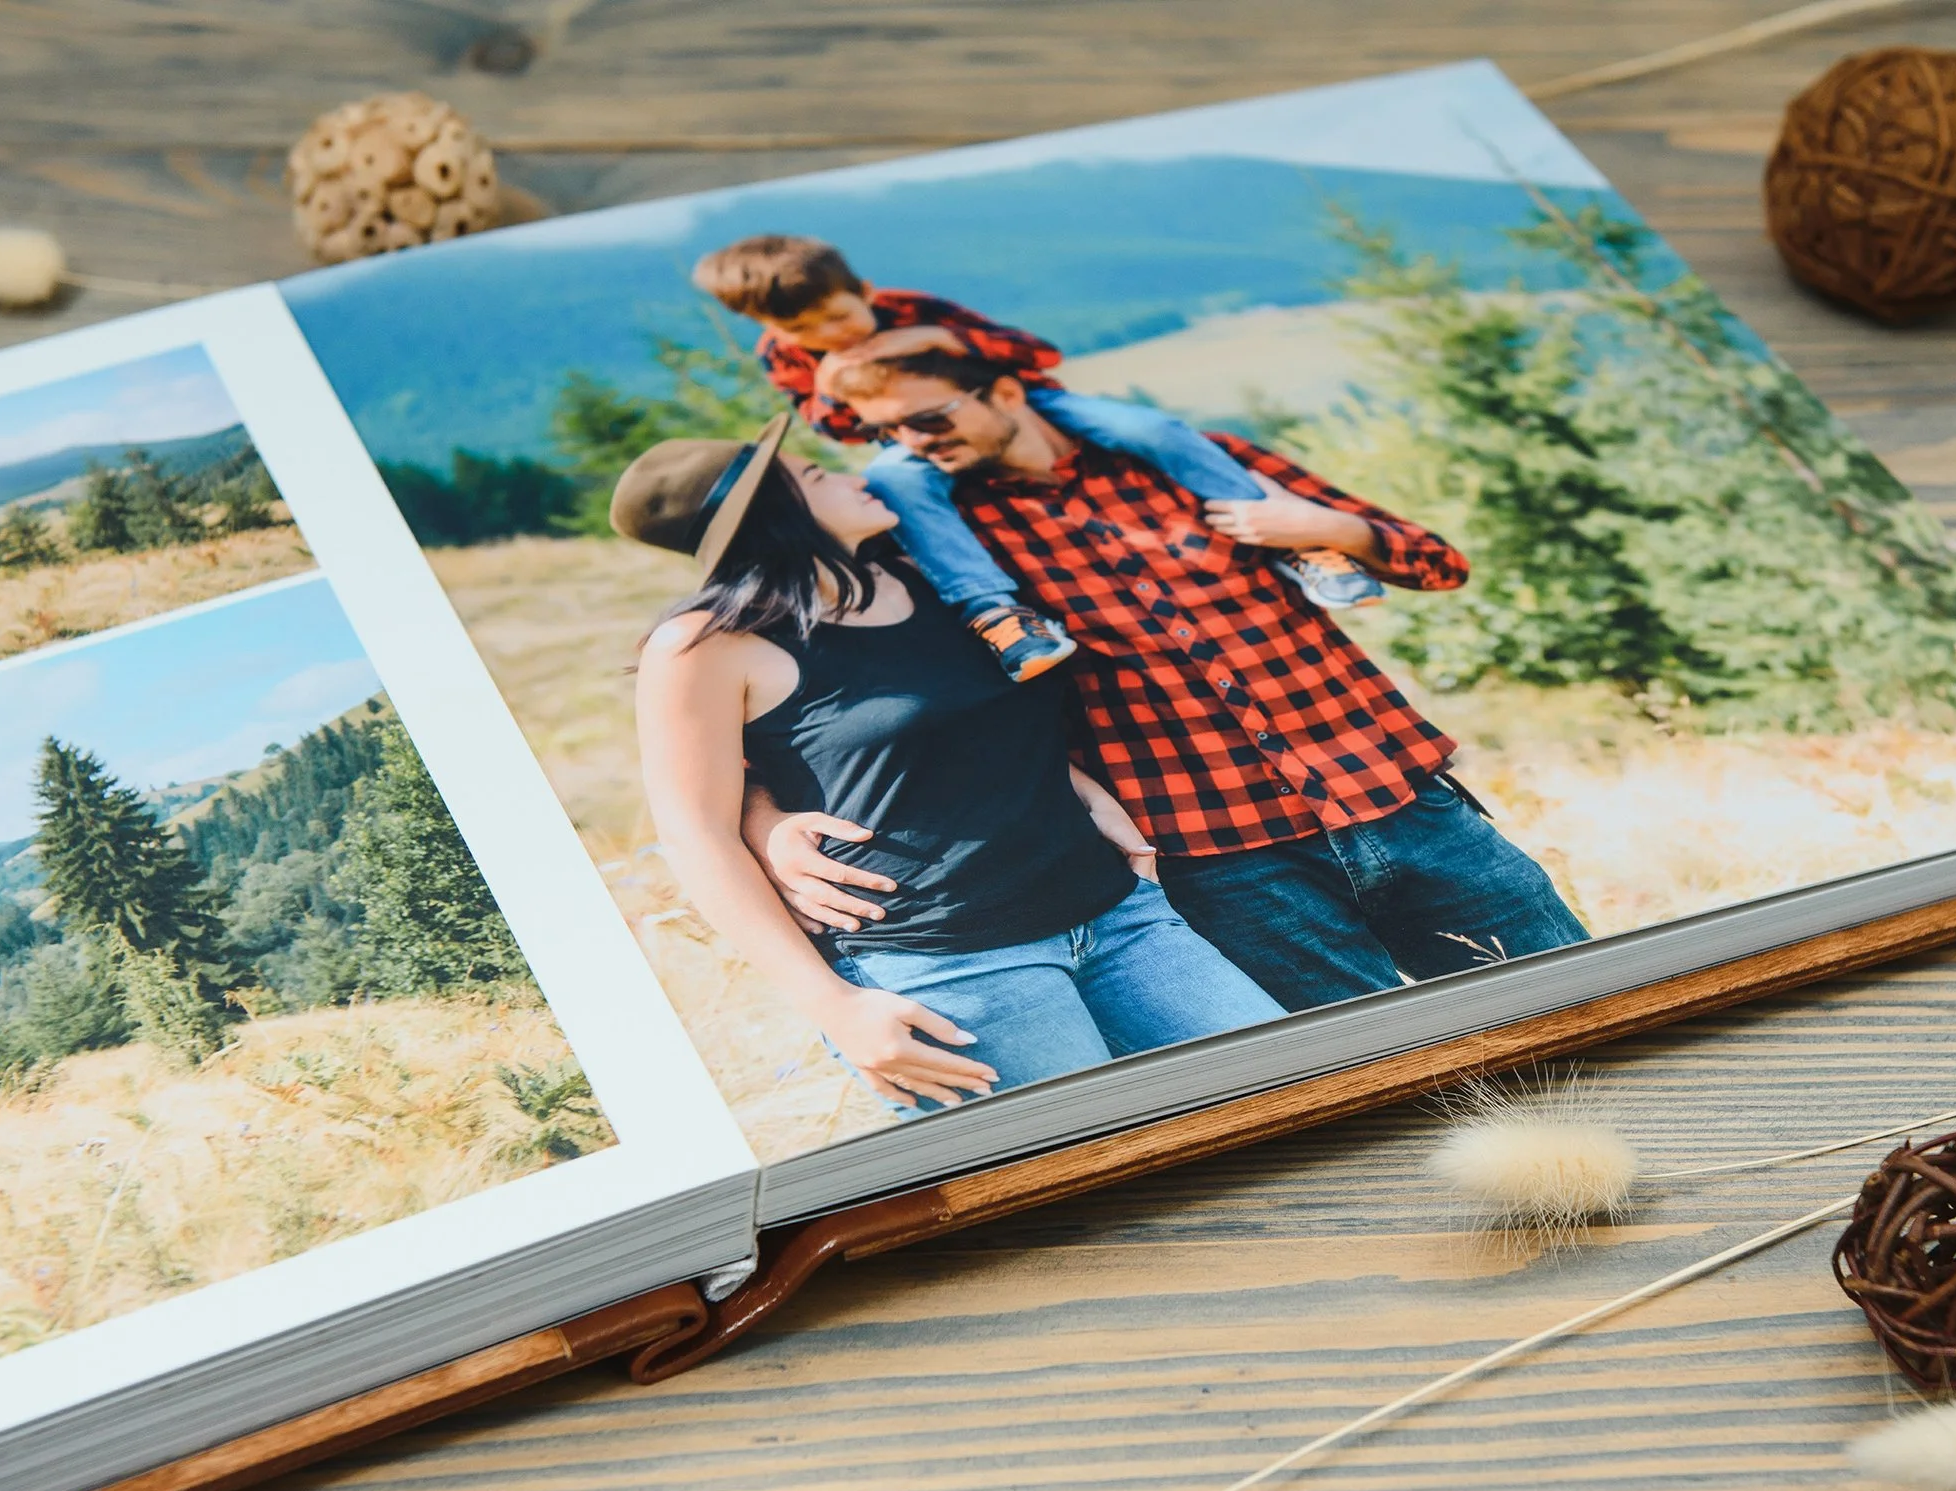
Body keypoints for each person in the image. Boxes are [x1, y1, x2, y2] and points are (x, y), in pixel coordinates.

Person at [758, 332, 1589, 1014]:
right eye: (889, 435)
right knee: (1382, 1072)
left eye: (930, 420)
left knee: (1579, 1003)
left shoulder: (1194, 461)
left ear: (1005, 392)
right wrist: (769, 822)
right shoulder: (936, 547)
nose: (913, 447)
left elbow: (1436, 562)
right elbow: (827, 685)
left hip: (1405, 801)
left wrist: (1330, 527)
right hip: (1220, 859)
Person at [619, 413, 1283, 1114]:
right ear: (773, 515)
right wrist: (834, 1004)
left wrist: (1081, 788)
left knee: (1295, 1092)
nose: (850, 477)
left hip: (1121, 917)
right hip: (946, 965)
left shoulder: (931, 578)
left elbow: (979, 728)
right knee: (1085, 1190)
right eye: (817, 476)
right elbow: (698, 834)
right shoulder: (704, 646)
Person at [692, 233, 1386, 684]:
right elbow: (840, 426)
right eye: (801, 329)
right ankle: (998, 613)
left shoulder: (915, 309)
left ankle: (1293, 544)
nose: (827, 336)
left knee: (1147, 427)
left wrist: (936, 339)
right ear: (769, 328)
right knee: (895, 483)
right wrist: (831, 382)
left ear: (867, 292)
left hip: (1028, 404)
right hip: (911, 441)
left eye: (838, 318)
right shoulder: (789, 360)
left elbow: (1037, 357)